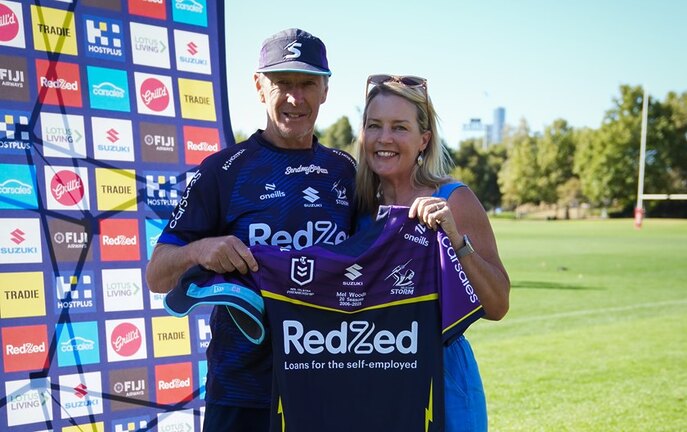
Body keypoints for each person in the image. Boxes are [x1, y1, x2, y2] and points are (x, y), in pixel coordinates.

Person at [146, 28, 356, 432]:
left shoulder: (345, 172)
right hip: (241, 389)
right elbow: (157, 274)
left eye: (308, 83)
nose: (295, 98)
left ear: (325, 90)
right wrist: (199, 250)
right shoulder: (222, 171)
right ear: (259, 87)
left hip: (325, 383)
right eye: (282, 83)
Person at [353, 74, 510, 432]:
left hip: (443, 378)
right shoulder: (355, 209)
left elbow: (498, 305)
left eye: (400, 127)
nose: (385, 138)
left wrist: (455, 238)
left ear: (424, 140)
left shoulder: (454, 199)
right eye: (374, 126)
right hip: (372, 377)